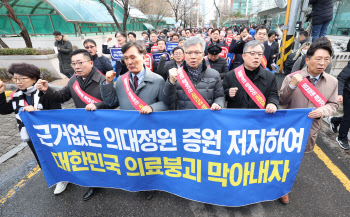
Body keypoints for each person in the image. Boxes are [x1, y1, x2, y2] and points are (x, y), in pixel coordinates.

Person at [36, 49, 112, 200]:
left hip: (102, 126)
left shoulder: (104, 80)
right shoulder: (73, 80)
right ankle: (94, 184)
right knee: (89, 156)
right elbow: (62, 97)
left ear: (91, 63)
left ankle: (111, 178)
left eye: (80, 63)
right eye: (74, 63)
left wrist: (97, 106)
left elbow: (112, 102)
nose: (76, 66)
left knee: (106, 156)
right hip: (83, 128)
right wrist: (47, 90)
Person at [279, 39, 338, 205]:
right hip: (287, 129)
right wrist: (292, 86)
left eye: (326, 59)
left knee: (296, 160)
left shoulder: (332, 82)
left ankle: (285, 187)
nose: (322, 63)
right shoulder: (293, 77)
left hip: (310, 129)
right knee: (282, 158)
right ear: (307, 59)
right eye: (318, 59)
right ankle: (280, 187)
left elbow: (333, 104)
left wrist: (323, 111)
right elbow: (282, 100)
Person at [0, 63, 61, 189]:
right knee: (40, 156)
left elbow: (57, 113)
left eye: (22, 78)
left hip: (49, 133)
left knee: (55, 155)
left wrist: (37, 112)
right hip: (30, 133)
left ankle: (63, 177)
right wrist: (1, 93)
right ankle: (53, 178)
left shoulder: (45, 92)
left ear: (34, 78)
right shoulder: (17, 95)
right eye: (15, 78)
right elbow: (4, 110)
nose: (18, 82)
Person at [163, 36, 224, 110]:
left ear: (203, 55)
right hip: (183, 119)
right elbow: (167, 102)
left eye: (197, 52)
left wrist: (218, 103)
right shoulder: (175, 75)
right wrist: (171, 83)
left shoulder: (214, 74)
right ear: (184, 55)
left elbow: (220, 96)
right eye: (189, 53)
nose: (193, 56)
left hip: (206, 118)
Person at [223, 40, 278, 110]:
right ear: (244, 56)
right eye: (252, 53)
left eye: (259, 54)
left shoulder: (270, 77)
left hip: (259, 118)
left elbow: (273, 95)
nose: (256, 57)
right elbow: (221, 96)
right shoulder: (230, 75)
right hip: (237, 118)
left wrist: (272, 103)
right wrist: (228, 93)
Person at [328, 60, 350, 150]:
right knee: (348, 117)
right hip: (348, 92)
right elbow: (341, 77)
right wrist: (339, 93)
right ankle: (342, 137)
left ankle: (335, 120)